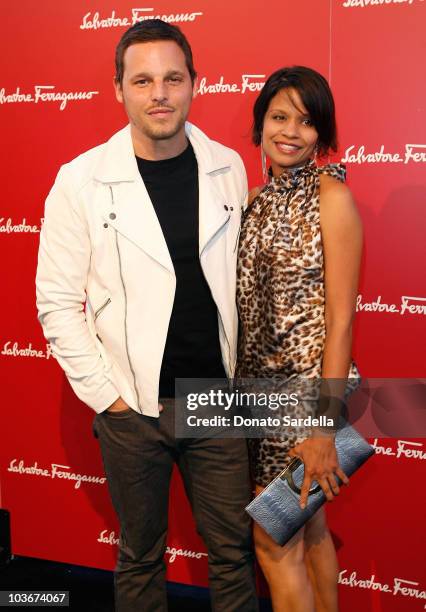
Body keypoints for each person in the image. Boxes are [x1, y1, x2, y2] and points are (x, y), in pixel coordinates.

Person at [36, 19, 258, 612]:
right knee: (139, 557)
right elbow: (56, 301)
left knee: (234, 555)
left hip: (217, 398)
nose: (158, 92)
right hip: (131, 407)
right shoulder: (79, 182)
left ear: (194, 85)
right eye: (142, 80)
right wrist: (108, 396)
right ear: (119, 89)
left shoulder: (228, 167)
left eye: (172, 78)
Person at [236, 66, 363, 612]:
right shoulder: (255, 200)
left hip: (307, 402)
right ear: (261, 123)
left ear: (322, 134)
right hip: (256, 402)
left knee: (272, 540)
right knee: (309, 534)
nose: (290, 131)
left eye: (306, 122)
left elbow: (341, 321)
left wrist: (321, 425)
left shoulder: (332, 198)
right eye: (279, 116)